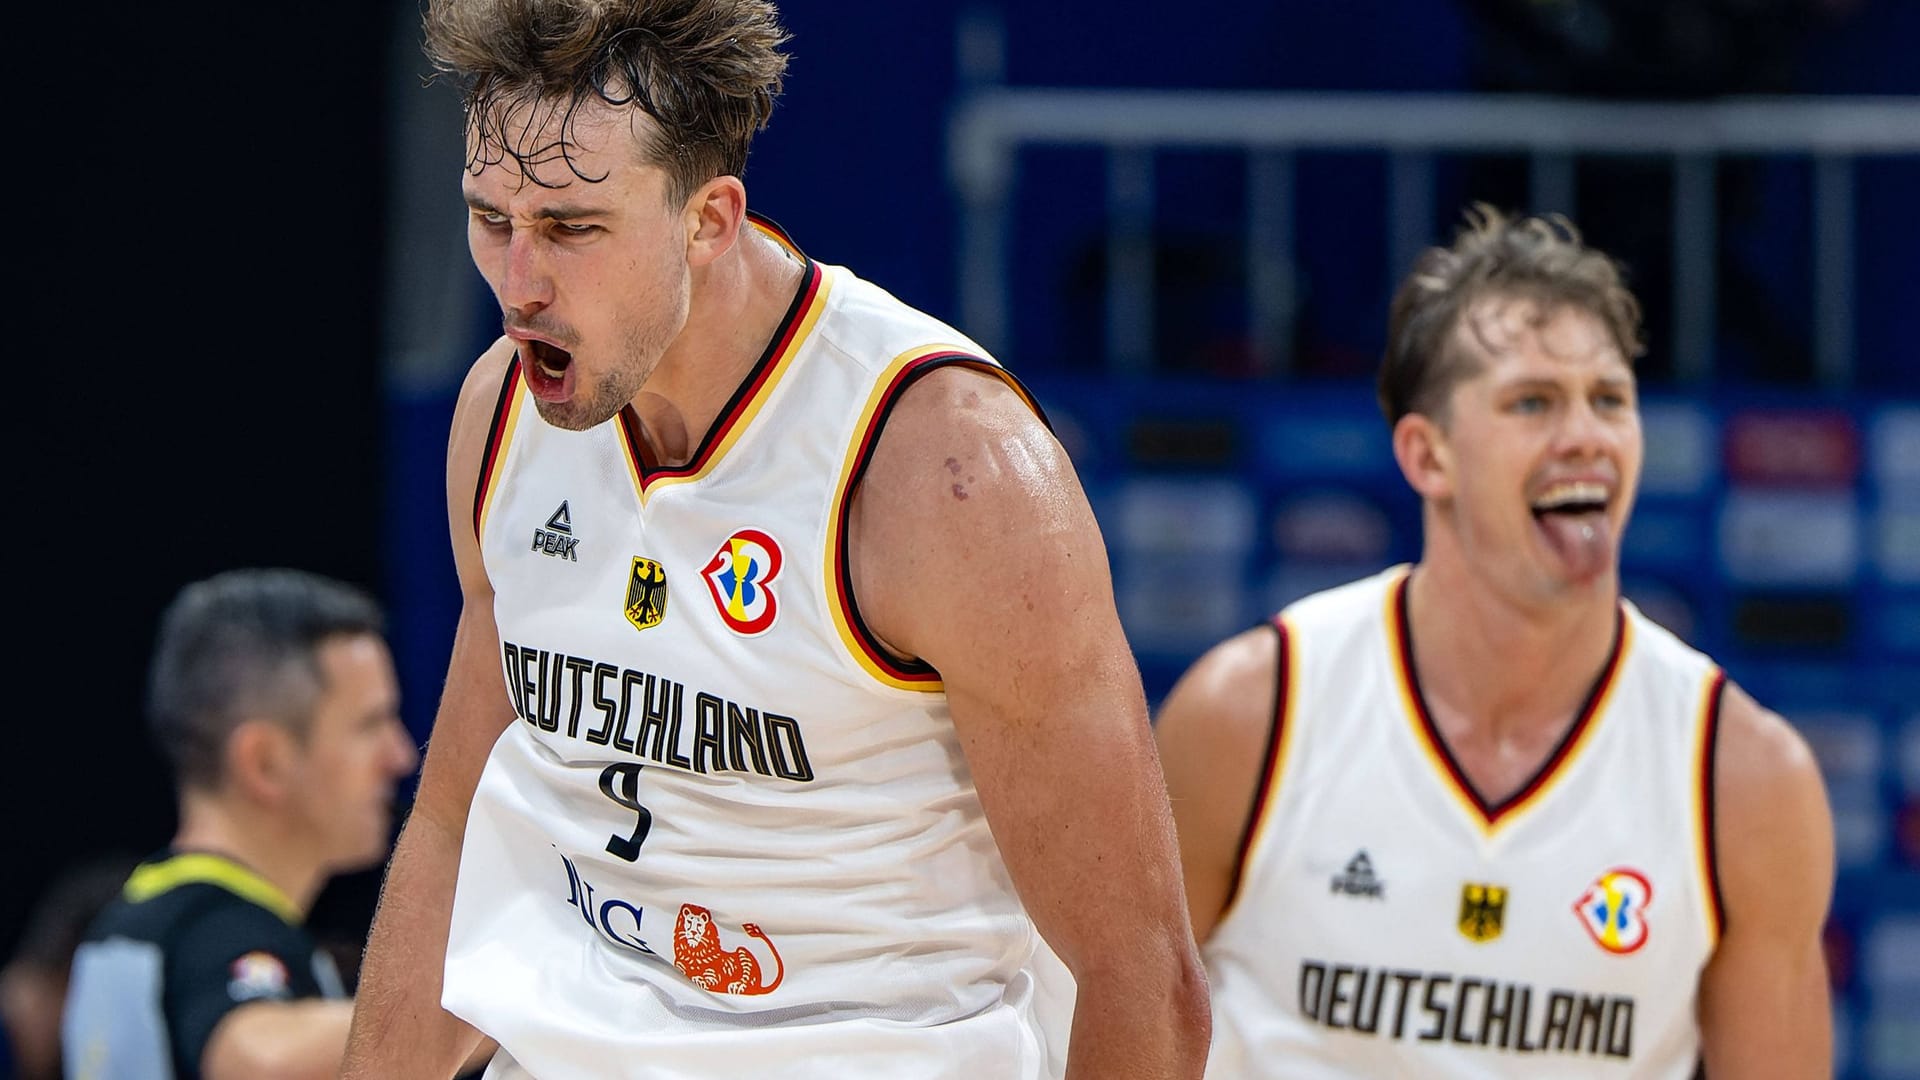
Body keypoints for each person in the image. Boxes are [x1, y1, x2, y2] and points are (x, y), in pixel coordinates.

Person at [338, 2, 1209, 1078]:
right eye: (490, 220)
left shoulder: (944, 470)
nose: (519, 285)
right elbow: (450, 825)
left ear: (708, 219)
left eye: (571, 228)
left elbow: (1140, 972)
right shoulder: (504, 418)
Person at [1153, 206, 1835, 1077]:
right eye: (1534, 402)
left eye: (1610, 400)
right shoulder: (1252, 714)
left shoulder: (1744, 778)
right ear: (1428, 456)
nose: (1586, 435)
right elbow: (1126, 1030)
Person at [60, 569, 424, 1080]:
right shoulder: (218, 933)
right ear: (265, 762)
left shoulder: (135, 920)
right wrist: (504, 1004)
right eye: (371, 724)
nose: (401, 756)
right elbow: (260, 1057)